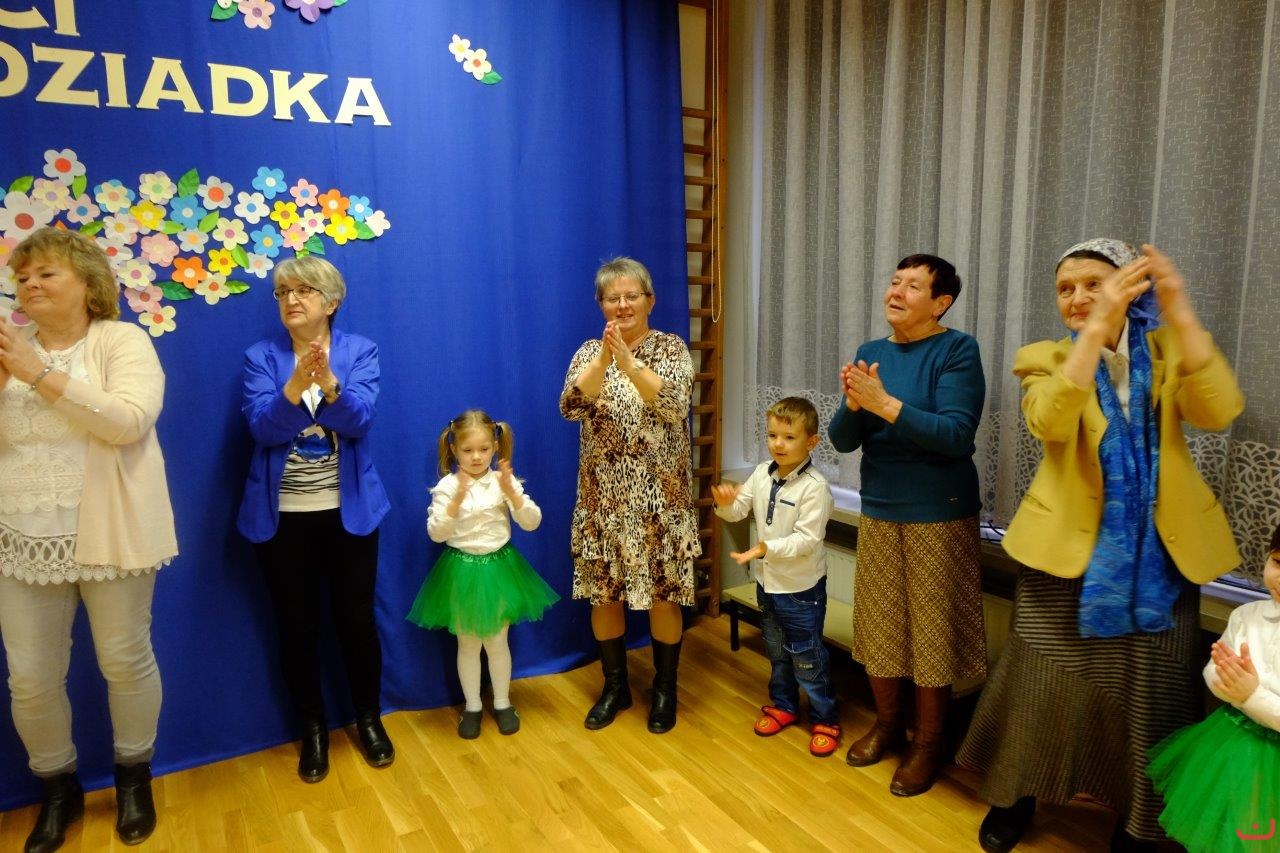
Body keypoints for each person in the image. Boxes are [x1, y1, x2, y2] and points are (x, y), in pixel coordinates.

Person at [956, 240, 1245, 852]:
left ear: (1131, 289)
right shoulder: (1045, 357)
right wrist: (1092, 334)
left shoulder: (1170, 351)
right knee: (1039, 683)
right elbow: (1050, 422)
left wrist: (1179, 308)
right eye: (1066, 288)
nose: (1078, 297)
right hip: (1065, 554)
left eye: (1094, 283)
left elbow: (1219, 410)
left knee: (1151, 695)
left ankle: (1137, 822)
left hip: (1160, 559)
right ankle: (1015, 794)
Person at [0, 227, 177, 850]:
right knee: (30, 678)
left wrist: (37, 374)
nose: (30, 284)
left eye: (46, 273)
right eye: (23, 277)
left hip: (112, 531)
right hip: (21, 536)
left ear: (87, 283)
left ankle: (133, 777)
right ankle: (58, 789)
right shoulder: (10, 349)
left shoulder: (122, 340)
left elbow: (129, 422)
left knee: (124, 661)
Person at [827, 253, 987, 797]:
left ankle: (930, 743)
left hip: (938, 512)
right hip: (881, 505)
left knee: (931, 632)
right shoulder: (872, 353)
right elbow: (842, 439)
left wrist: (885, 404)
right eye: (895, 282)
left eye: (913, 286)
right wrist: (857, 404)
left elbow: (955, 436)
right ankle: (888, 725)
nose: (896, 291)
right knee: (879, 624)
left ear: (940, 303)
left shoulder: (957, 350)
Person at [237, 255, 394, 784]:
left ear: (331, 302)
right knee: (296, 628)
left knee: (357, 623)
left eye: (303, 290)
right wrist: (292, 386)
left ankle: (369, 720)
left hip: (350, 514)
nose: (291, 300)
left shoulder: (359, 351)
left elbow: (360, 420)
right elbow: (263, 430)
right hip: (282, 520)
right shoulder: (261, 357)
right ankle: (313, 731)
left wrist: (326, 381)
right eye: (283, 292)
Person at [560, 256, 700, 734]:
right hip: (602, 503)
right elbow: (571, 406)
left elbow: (675, 405)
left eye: (631, 296)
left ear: (650, 301)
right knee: (605, 596)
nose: (622, 305)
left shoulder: (670, 348)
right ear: (601, 304)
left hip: (661, 504)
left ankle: (664, 689)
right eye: (612, 298)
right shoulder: (588, 351)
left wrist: (630, 364)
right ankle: (615, 687)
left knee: (664, 598)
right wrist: (604, 360)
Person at [407, 409, 559, 739]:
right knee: (467, 644)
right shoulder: (447, 486)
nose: (476, 457)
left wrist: (513, 492)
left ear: (495, 447)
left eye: (484, 449)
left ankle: (503, 702)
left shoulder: (503, 482)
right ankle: (473, 706)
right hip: (461, 570)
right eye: (467, 450)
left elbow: (532, 522)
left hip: (499, 568)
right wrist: (455, 501)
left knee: (497, 642)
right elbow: (436, 533)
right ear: (454, 450)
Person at [713, 397, 838, 757]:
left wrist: (766, 549)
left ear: (811, 442)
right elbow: (737, 510)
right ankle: (784, 705)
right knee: (777, 652)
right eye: (772, 435)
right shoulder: (761, 472)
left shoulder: (815, 487)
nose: (778, 444)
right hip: (767, 585)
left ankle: (825, 718)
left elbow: (807, 540)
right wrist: (725, 503)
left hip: (801, 591)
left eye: (789, 437)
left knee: (807, 657)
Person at [1146, 524, 1280, 853]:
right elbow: (1214, 667)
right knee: (1229, 828)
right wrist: (1225, 680)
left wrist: (1251, 695)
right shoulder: (1247, 615)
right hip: (1231, 744)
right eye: (1278, 562)